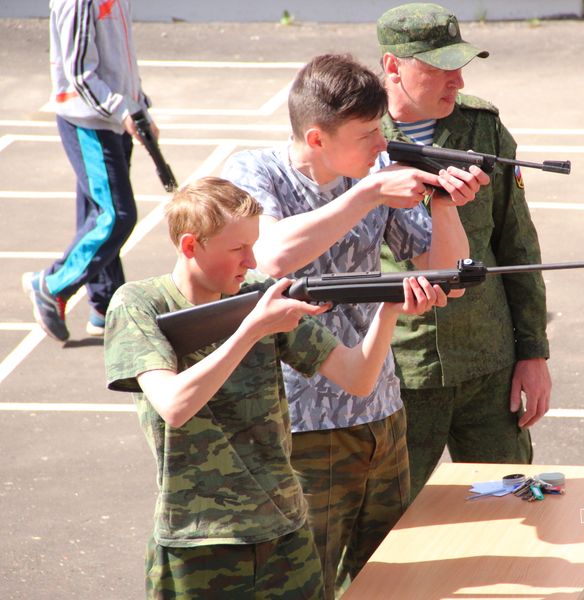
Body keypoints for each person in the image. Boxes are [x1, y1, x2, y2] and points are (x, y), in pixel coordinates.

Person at [221, 54, 487, 598]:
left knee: (388, 575)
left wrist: (442, 202)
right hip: (298, 421)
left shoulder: (370, 171)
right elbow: (273, 255)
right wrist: (366, 192)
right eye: (368, 134)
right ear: (317, 138)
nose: (380, 146)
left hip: (379, 407)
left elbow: (448, 279)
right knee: (307, 578)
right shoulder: (252, 173)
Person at [104, 177, 446, 599]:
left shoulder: (257, 296)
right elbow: (174, 405)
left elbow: (356, 379)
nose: (252, 260)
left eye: (253, 245)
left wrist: (389, 311)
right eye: (237, 249)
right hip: (198, 540)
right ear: (190, 246)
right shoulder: (138, 304)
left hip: (285, 530)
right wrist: (251, 331)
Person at [376, 2, 552, 500]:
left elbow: (517, 243)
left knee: (515, 504)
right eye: (438, 69)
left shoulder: (482, 128)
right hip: (399, 374)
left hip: (487, 365)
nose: (455, 81)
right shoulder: (357, 140)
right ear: (393, 67)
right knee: (387, 529)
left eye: (460, 67)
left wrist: (533, 353)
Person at [23, 0, 158, 342]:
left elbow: (120, 55)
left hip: (116, 117)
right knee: (116, 216)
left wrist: (139, 106)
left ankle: (107, 304)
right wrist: (122, 111)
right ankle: (52, 283)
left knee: (98, 213)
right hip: (90, 122)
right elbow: (79, 72)